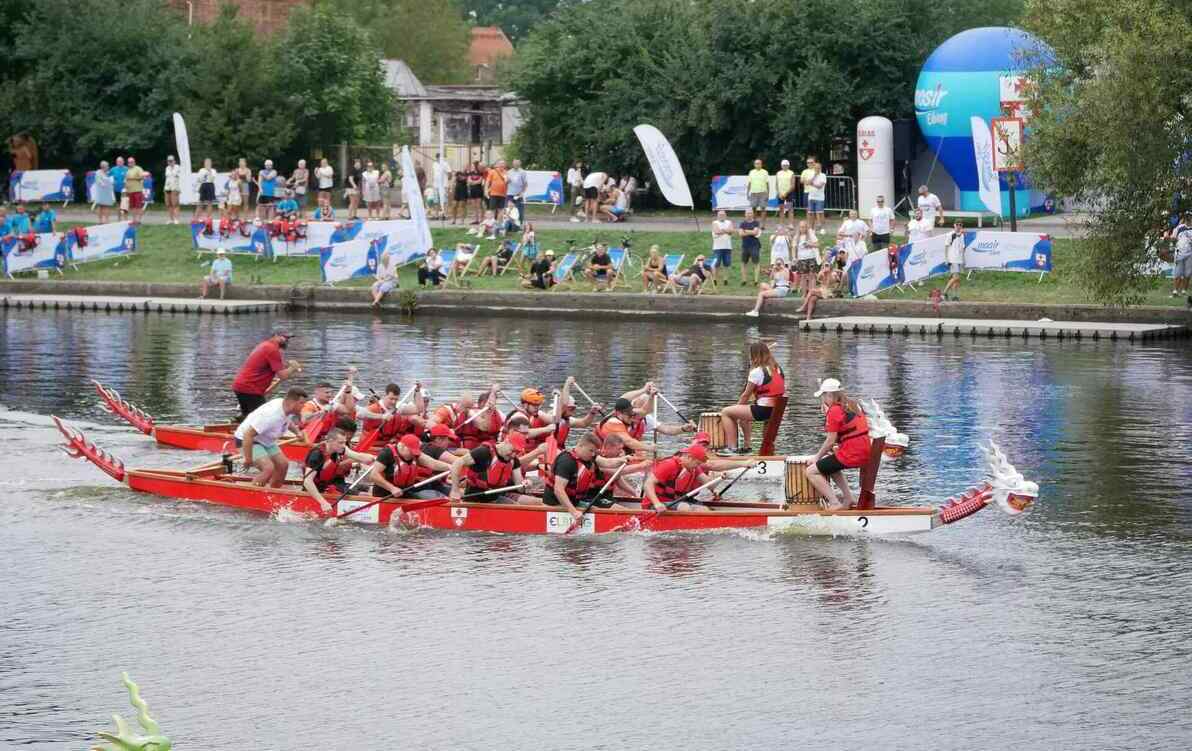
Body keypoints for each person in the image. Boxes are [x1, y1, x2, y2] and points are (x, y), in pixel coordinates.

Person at [805, 378, 872, 510]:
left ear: (830, 395)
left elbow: (830, 440)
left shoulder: (834, 410)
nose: (823, 399)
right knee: (832, 466)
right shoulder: (853, 404)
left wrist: (816, 457)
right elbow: (847, 431)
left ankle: (834, 503)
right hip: (864, 449)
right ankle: (848, 498)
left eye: (824, 395)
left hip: (853, 453)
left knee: (811, 471)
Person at [718, 341, 785, 454]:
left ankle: (731, 449)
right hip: (778, 410)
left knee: (726, 412)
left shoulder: (757, 372)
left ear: (753, 355)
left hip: (764, 411)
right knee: (744, 417)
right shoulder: (778, 369)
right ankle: (749, 447)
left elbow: (746, 395)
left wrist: (736, 409)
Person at [234, 387, 307, 488]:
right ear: (292, 402)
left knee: (283, 465)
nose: (303, 406)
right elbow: (248, 435)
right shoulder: (271, 415)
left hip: (265, 440)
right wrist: (248, 459)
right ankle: (253, 494)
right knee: (268, 468)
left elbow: (287, 422)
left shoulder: (286, 407)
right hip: (246, 440)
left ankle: (274, 492)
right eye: (301, 403)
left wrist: (297, 432)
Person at [447, 432, 537, 504]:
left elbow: (519, 487)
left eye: (517, 452)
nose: (513, 455)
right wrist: (455, 490)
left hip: (495, 499)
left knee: (516, 510)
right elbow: (456, 464)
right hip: (474, 499)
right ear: (506, 441)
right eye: (512, 450)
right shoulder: (484, 452)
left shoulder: (514, 461)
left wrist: (526, 484)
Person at [231, 330, 303, 418]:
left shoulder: (264, 345)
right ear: (276, 336)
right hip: (250, 388)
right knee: (263, 418)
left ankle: (241, 423)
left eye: (288, 338)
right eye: (285, 337)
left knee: (248, 416)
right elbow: (283, 376)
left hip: (240, 386)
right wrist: (293, 368)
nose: (287, 340)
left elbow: (267, 366)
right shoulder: (272, 350)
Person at [302, 427, 374, 512]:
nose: (344, 445)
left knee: (370, 489)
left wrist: (375, 458)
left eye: (344, 442)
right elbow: (307, 481)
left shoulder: (340, 448)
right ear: (330, 441)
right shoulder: (317, 455)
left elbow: (359, 456)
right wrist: (323, 502)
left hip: (333, 484)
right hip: (319, 490)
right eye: (340, 443)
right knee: (365, 495)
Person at [369, 434, 454, 500]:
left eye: (415, 452)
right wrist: (391, 488)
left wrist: (450, 467)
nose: (413, 454)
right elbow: (373, 475)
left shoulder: (415, 454)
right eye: (411, 451)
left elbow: (433, 464)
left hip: (404, 492)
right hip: (384, 494)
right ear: (402, 446)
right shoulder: (387, 453)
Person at [541, 432, 601, 519]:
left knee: (596, 509)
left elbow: (606, 463)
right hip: (555, 504)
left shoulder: (587, 460)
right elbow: (558, 490)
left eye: (595, 452)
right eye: (591, 450)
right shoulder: (566, 461)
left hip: (574, 503)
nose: (593, 454)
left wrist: (622, 460)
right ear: (581, 446)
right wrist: (574, 512)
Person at [642, 444, 713, 512]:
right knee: (684, 507)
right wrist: (657, 504)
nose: (698, 466)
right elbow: (648, 484)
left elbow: (709, 483)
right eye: (697, 463)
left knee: (704, 509)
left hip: (676, 501)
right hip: (657, 503)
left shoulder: (694, 468)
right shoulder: (669, 464)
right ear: (689, 457)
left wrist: (721, 477)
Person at [793, 220, 821, 299]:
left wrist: (810, 244)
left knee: (812, 276)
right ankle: (804, 294)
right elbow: (794, 248)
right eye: (801, 227)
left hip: (811, 258)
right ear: (799, 228)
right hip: (801, 259)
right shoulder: (796, 237)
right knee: (803, 276)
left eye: (804, 227)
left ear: (807, 227)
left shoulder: (811, 235)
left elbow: (818, 244)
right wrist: (794, 258)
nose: (803, 229)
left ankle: (812, 292)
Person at [1170, 212, 1192, 302]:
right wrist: (1172, 239)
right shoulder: (1179, 228)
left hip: (1190, 253)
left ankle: (1184, 291)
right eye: (1187, 217)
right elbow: (1173, 238)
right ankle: (1175, 291)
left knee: (1187, 273)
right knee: (1177, 273)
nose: (1188, 218)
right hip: (1179, 253)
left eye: (1190, 217)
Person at [739, 209, 763, 286]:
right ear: (745, 214)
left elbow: (755, 232)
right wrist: (751, 232)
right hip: (745, 246)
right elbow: (740, 234)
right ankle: (744, 280)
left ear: (753, 214)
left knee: (756, 263)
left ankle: (756, 281)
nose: (749, 214)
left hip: (755, 245)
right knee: (743, 263)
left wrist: (745, 231)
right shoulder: (742, 223)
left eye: (750, 213)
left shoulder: (756, 222)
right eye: (747, 213)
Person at [942, 221, 966, 301]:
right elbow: (946, 247)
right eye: (957, 224)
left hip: (959, 259)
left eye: (960, 225)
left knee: (957, 280)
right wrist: (946, 259)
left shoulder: (962, 235)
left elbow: (962, 248)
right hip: (952, 259)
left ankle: (954, 296)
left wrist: (963, 260)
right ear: (954, 225)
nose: (958, 226)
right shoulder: (950, 235)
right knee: (955, 277)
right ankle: (944, 293)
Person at [711, 209, 734, 287]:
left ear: (726, 215)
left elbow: (731, 231)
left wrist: (723, 231)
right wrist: (726, 231)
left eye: (723, 215)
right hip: (717, 247)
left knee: (726, 264)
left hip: (727, 247)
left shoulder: (729, 222)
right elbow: (716, 231)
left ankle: (725, 279)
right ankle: (715, 279)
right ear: (717, 216)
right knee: (716, 264)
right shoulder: (715, 222)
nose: (722, 216)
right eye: (720, 215)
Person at [747, 159, 770, 228]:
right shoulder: (751, 172)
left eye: (759, 163)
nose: (758, 165)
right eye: (756, 164)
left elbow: (767, 183)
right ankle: (754, 224)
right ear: (754, 165)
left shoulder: (765, 172)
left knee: (763, 209)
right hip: (753, 193)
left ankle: (763, 225)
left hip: (763, 192)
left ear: (761, 164)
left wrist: (768, 194)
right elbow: (749, 183)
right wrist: (747, 193)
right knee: (753, 209)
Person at [807, 160, 827, 234]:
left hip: (820, 197)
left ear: (820, 168)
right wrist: (814, 176)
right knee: (811, 213)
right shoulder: (812, 174)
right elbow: (807, 182)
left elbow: (819, 186)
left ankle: (822, 228)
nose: (817, 169)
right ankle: (812, 229)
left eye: (818, 168)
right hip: (811, 197)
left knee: (820, 213)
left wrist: (811, 184)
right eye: (815, 168)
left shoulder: (823, 175)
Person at [505, 159, 527, 227]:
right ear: (512, 164)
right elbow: (506, 182)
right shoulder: (508, 172)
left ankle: (520, 225)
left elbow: (525, 184)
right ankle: (508, 225)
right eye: (514, 163)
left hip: (518, 194)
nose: (516, 165)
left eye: (517, 164)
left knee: (520, 210)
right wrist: (507, 181)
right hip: (509, 194)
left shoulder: (523, 172)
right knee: (508, 210)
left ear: (520, 164)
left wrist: (522, 192)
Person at [776, 159, 796, 225]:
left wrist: (786, 193)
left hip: (789, 193)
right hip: (780, 194)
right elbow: (776, 184)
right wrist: (779, 193)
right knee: (781, 209)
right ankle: (781, 224)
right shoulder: (778, 173)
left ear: (788, 166)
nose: (785, 166)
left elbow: (793, 185)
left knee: (790, 209)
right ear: (781, 166)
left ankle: (791, 224)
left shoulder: (791, 173)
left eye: (786, 165)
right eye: (783, 165)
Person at [163, 155, 181, 224]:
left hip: (175, 187)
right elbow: (167, 178)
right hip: (167, 187)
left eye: (171, 161)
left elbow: (178, 176)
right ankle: (171, 219)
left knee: (175, 204)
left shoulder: (178, 167)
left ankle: (176, 219)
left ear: (174, 161)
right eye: (169, 161)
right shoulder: (167, 168)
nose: (170, 162)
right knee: (168, 204)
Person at [465, 160, 485, 224]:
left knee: (479, 205)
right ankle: (476, 220)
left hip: (479, 190)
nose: (472, 167)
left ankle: (481, 219)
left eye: (473, 165)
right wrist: (474, 182)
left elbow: (480, 181)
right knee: (474, 206)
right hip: (472, 190)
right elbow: (468, 181)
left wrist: (473, 182)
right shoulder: (471, 173)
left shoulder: (481, 173)